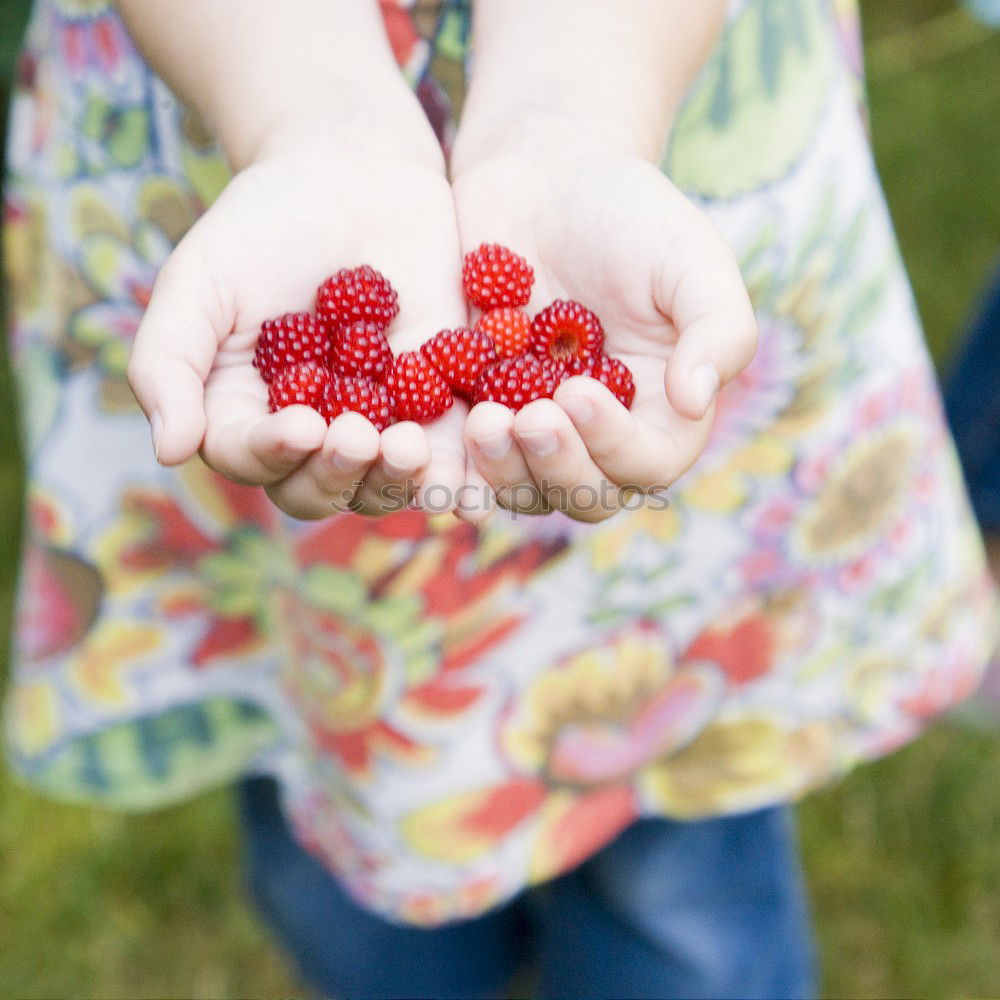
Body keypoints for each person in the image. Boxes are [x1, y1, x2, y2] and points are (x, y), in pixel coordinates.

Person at [4, 1, 997, 997]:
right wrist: (308, 121)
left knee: (678, 843)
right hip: (225, 90)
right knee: (339, 843)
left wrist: (571, 119)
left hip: (650, 96)